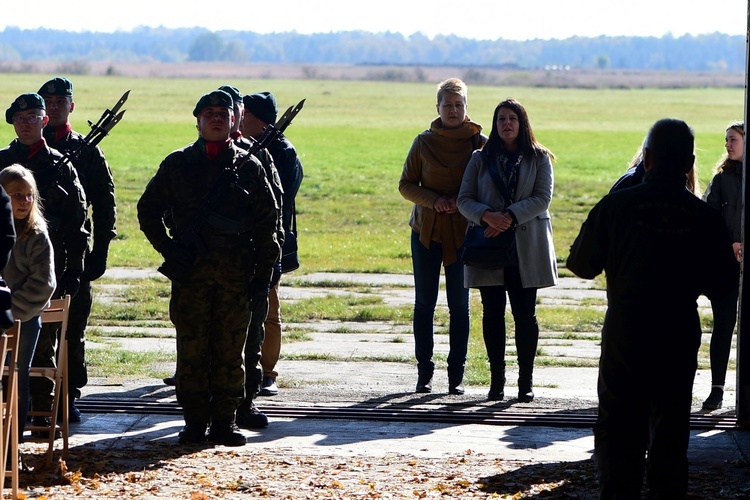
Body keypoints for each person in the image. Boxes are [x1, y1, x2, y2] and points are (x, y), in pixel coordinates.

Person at [567, 118, 739, 498]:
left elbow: (580, 263)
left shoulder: (615, 206)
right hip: (677, 333)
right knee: (670, 433)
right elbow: (725, 283)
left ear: (646, 159)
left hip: (626, 332)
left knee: (618, 430)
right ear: (690, 163)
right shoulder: (704, 218)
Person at [137, 89, 279, 446]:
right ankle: (195, 422)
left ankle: (225, 422)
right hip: (192, 275)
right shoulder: (178, 163)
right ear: (197, 120)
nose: (216, 118)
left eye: (223, 113)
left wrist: (263, 276)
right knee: (192, 350)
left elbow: (267, 224)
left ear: (234, 120)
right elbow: (147, 210)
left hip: (236, 276)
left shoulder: (250, 165)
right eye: (209, 112)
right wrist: (169, 248)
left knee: (232, 351)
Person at [456, 98, 557, 402]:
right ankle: (496, 381)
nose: (506, 124)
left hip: (526, 246)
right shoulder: (479, 158)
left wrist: (509, 217)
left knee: (526, 314)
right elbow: (464, 199)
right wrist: (488, 216)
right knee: (492, 313)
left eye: (512, 118)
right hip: (488, 246)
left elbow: (542, 198)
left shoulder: (539, 158)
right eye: (501, 119)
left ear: (522, 123)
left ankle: (525, 382)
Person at [0, 92, 88, 435]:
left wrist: (79, 267)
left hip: (35, 295)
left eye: (32, 117)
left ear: (44, 120)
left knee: (40, 358)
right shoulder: (2, 161)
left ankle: (44, 411)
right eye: (19, 118)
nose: (26, 123)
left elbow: (80, 219)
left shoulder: (61, 163)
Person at [398, 78, 486, 395]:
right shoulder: (423, 142)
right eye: (447, 105)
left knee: (459, 307)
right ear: (437, 108)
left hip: (464, 235)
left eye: (458, 105)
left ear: (466, 108)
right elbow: (406, 184)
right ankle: (424, 373)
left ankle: (456, 375)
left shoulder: (480, 143)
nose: (452, 110)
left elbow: (493, 180)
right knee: (424, 303)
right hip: (426, 232)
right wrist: (434, 200)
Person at [37, 76, 117, 422]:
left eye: (60, 102)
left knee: (72, 329)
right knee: (33, 328)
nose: (54, 107)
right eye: (48, 103)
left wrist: (99, 251)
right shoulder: (27, 151)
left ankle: (69, 395)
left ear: (71, 106)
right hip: (34, 256)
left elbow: (104, 204)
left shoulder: (87, 151)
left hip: (73, 254)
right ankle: (36, 397)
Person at [242, 91, 304, 399]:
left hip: (267, 241)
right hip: (235, 242)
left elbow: (280, 201)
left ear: (260, 120)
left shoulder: (283, 153)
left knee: (268, 309)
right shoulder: (237, 147)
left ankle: (267, 373)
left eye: (245, 114)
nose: (239, 119)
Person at [0, 164, 56, 446]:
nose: (24, 201)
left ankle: (13, 446)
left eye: (29, 195)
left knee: (16, 377)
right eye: (16, 195)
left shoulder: (36, 236)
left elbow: (43, 285)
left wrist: (10, 314)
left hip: (23, 318)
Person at [701, 121, 744, 410]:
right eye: (726, 140)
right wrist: (729, 243)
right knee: (723, 327)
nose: (727, 145)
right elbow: (707, 218)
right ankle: (717, 389)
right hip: (727, 265)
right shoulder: (721, 179)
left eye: (733, 139)